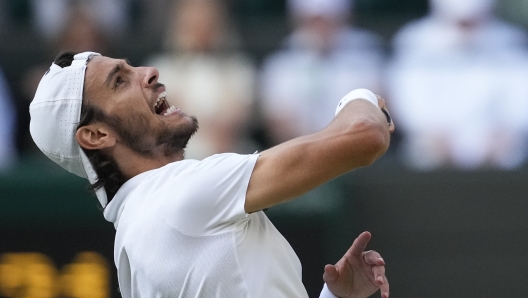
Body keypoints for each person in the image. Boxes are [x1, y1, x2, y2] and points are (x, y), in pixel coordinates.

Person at [29, 51, 393, 297]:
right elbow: (364, 136)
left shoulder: (132, 247)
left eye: (131, 68)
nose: (149, 72)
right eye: (119, 82)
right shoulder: (180, 195)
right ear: (96, 135)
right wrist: (360, 97)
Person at [386, 0, 528, 169]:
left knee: (512, 154)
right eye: (460, 23)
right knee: (422, 153)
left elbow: (520, 97)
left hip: (497, 140)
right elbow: (407, 99)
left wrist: (503, 133)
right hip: (433, 138)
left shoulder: (511, 40)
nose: (467, 28)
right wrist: (433, 133)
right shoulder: (414, 39)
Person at [260, 0, 385, 145]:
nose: (321, 28)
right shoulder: (280, 62)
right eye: (314, 21)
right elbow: (280, 123)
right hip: (301, 154)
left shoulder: (367, 54)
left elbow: (378, 112)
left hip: (357, 150)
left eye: (329, 20)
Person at [146, 0, 256, 159]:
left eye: (207, 20)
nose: (201, 27)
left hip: (230, 149)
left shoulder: (239, 67)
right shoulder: (161, 69)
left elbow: (238, 115)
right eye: (193, 21)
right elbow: (169, 117)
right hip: (181, 154)